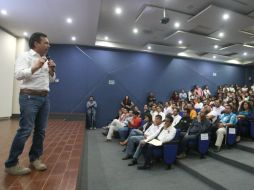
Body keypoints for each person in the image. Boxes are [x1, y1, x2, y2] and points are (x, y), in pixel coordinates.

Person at [5, 32, 56, 175]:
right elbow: (18, 75)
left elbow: (50, 81)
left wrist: (52, 71)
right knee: (25, 130)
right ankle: (11, 164)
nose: (48, 45)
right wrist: (35, 67)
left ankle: (35, 158)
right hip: (29, 97)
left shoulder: (44, 59)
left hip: (44, 98)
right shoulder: (25, 57)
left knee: (41, 131)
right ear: (36, 43)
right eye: (45, 42)